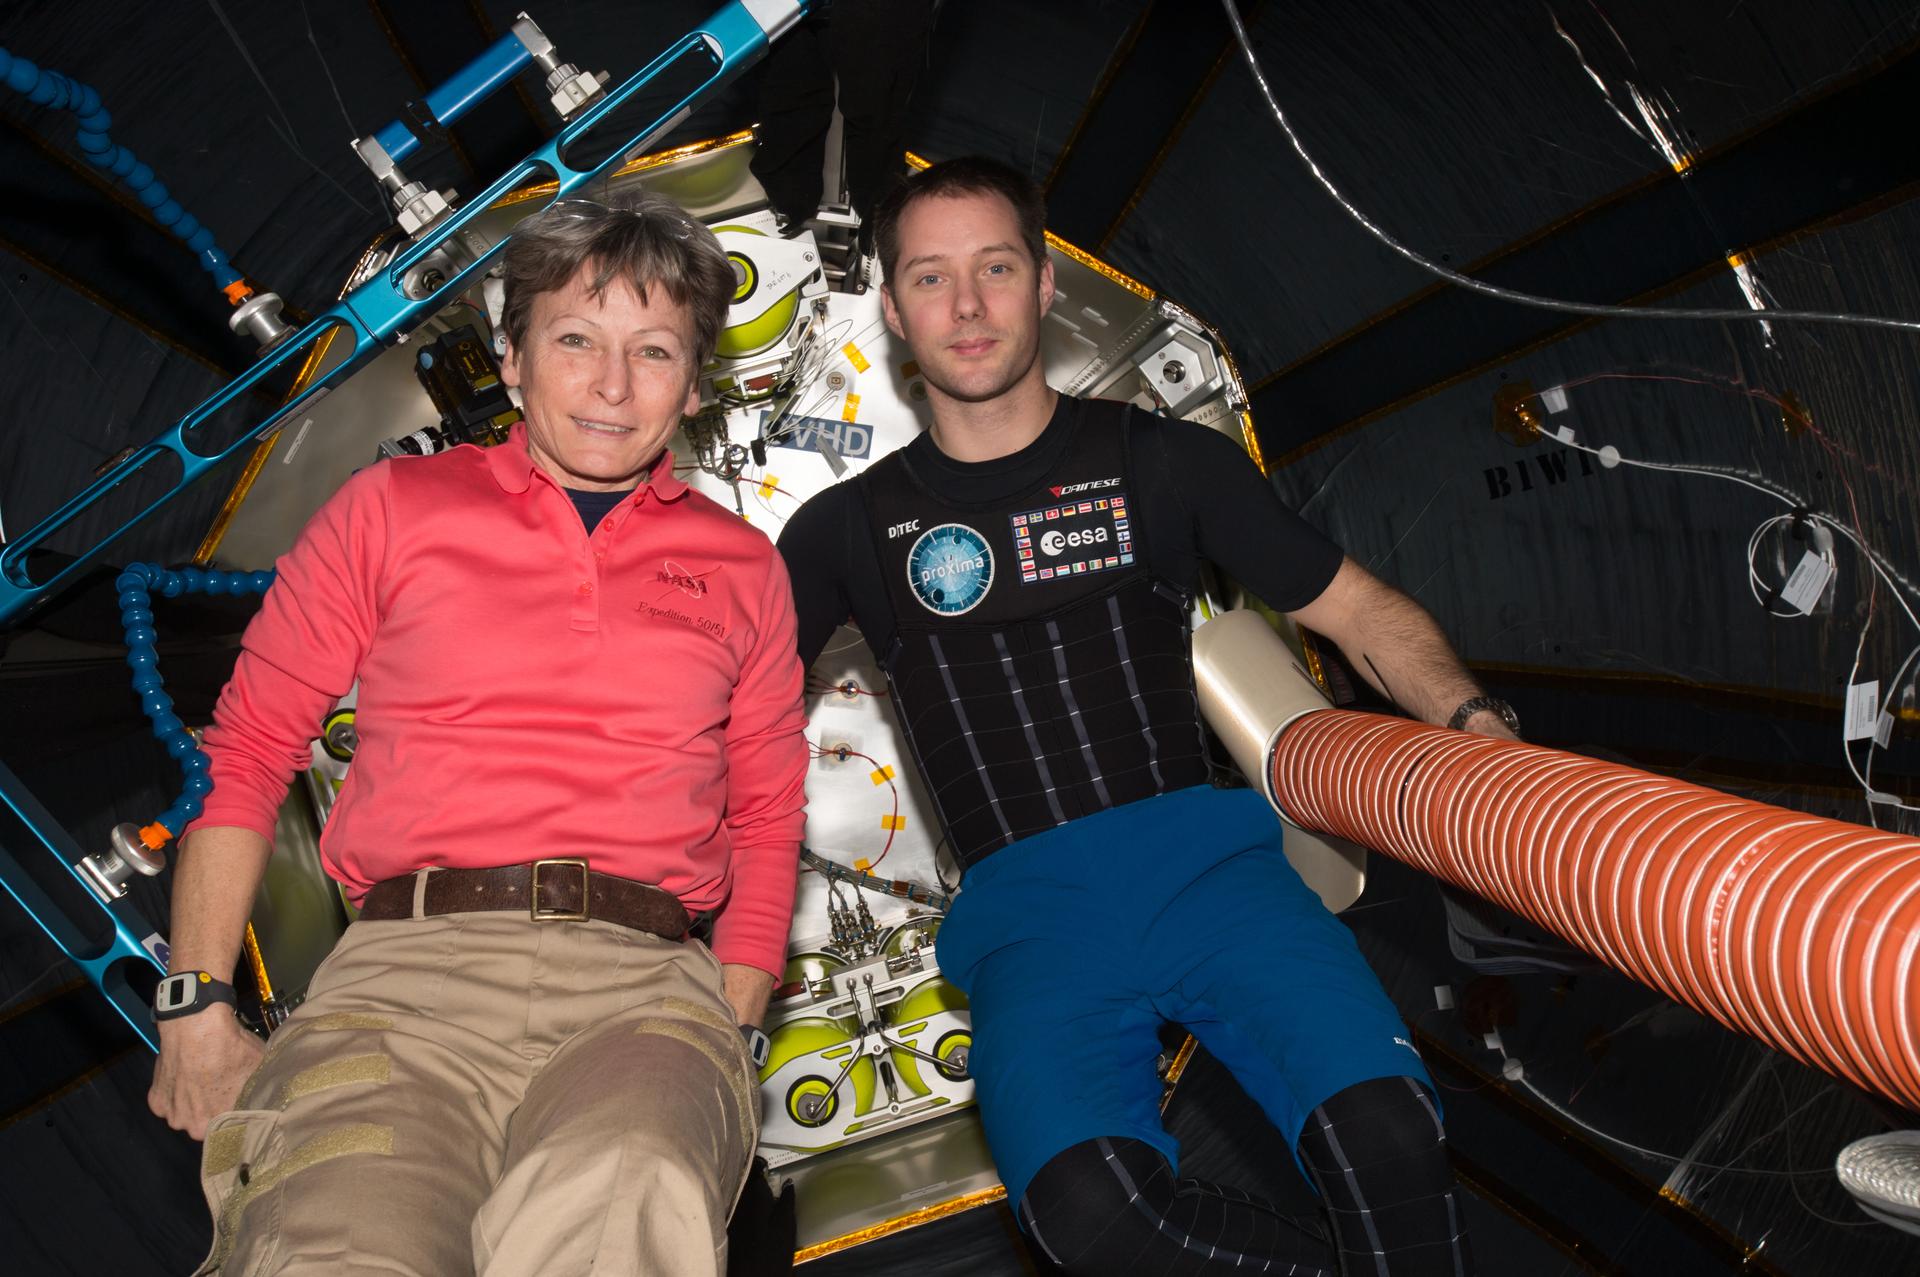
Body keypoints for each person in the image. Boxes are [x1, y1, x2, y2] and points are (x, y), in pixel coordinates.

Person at [776, 156, 1513, 1275]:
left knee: (1388, 1139)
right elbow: (712, 712)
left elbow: (1360, 612)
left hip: (1209, 873)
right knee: (1096, 1216)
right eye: (931, 278)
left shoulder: (1166, 464)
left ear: (1042, 285)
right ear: (891, 307)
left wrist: (1474, 723)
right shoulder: (840, 530)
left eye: (995, 268)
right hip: (1029, 924)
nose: (967, 307)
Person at [148, 191, 809, 1277]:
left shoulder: (744, 568)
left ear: (693, 384)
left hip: (643, 994)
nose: (610, 384)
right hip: (404, 986)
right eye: (575, 340)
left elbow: (772, 811)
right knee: (334, 1241)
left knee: (629, 1193)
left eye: (652, 351)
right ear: (511, 358)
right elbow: (253, 744)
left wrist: (731, 1025)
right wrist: (199, 996)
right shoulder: (391, 507)